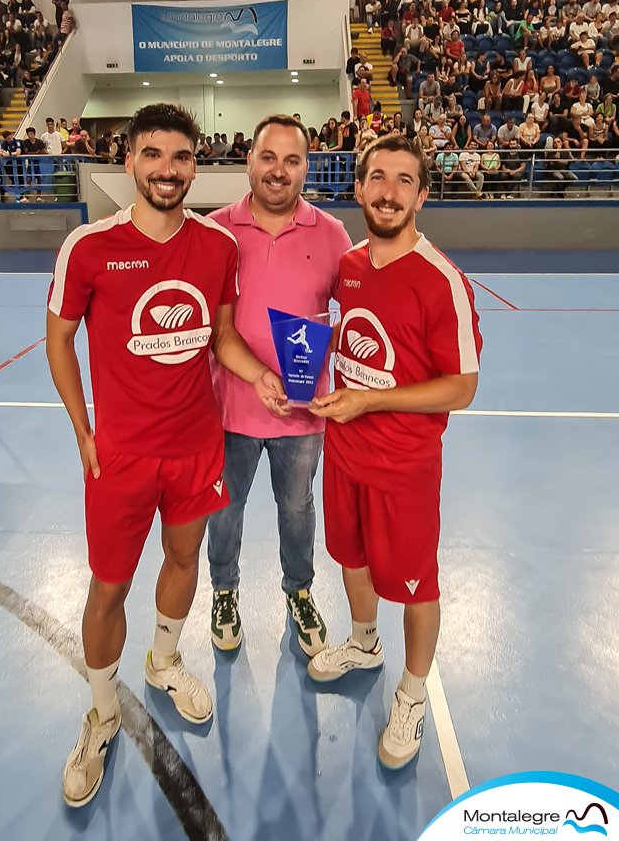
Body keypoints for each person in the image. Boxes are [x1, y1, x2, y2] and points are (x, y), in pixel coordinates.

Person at [47, 103, 286, 808]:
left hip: (194, 447)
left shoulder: (216, 247)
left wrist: (259, 376)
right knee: (108, 588)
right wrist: (83, 430)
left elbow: (220, 336)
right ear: (129, 161)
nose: (167, 169)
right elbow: (59, 338)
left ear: (194, 167)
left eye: (180, 157)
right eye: (152, 154)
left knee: (185, 560)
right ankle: (102, 712)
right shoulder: (89, 247)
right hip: (120, 457)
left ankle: (163, 659)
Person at [306, 135, 482, 771]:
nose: (388, 191)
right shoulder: (349, 266)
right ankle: (363, 643)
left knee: (414, 584)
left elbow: (462, 387)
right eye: (377, 177)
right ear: (358, 188)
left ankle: (411, 693)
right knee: (350, 558)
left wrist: (371, 402)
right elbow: (347, 338)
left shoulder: (442, 281)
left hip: (403, 467)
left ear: (422, 195)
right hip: (343, 452)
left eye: (404, 180)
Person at [206, 115, 352, 654]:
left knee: (297, 509)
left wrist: (333, 360)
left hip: (303, 413)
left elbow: (357, 314)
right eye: (268, 157)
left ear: (306, 167)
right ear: (249, 160)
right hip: (230, 409)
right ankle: (224, 590)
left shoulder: (332, 234)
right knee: (225, 509)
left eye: (292, 160)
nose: (278, 170)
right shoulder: (216, 231)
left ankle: (299, 591)